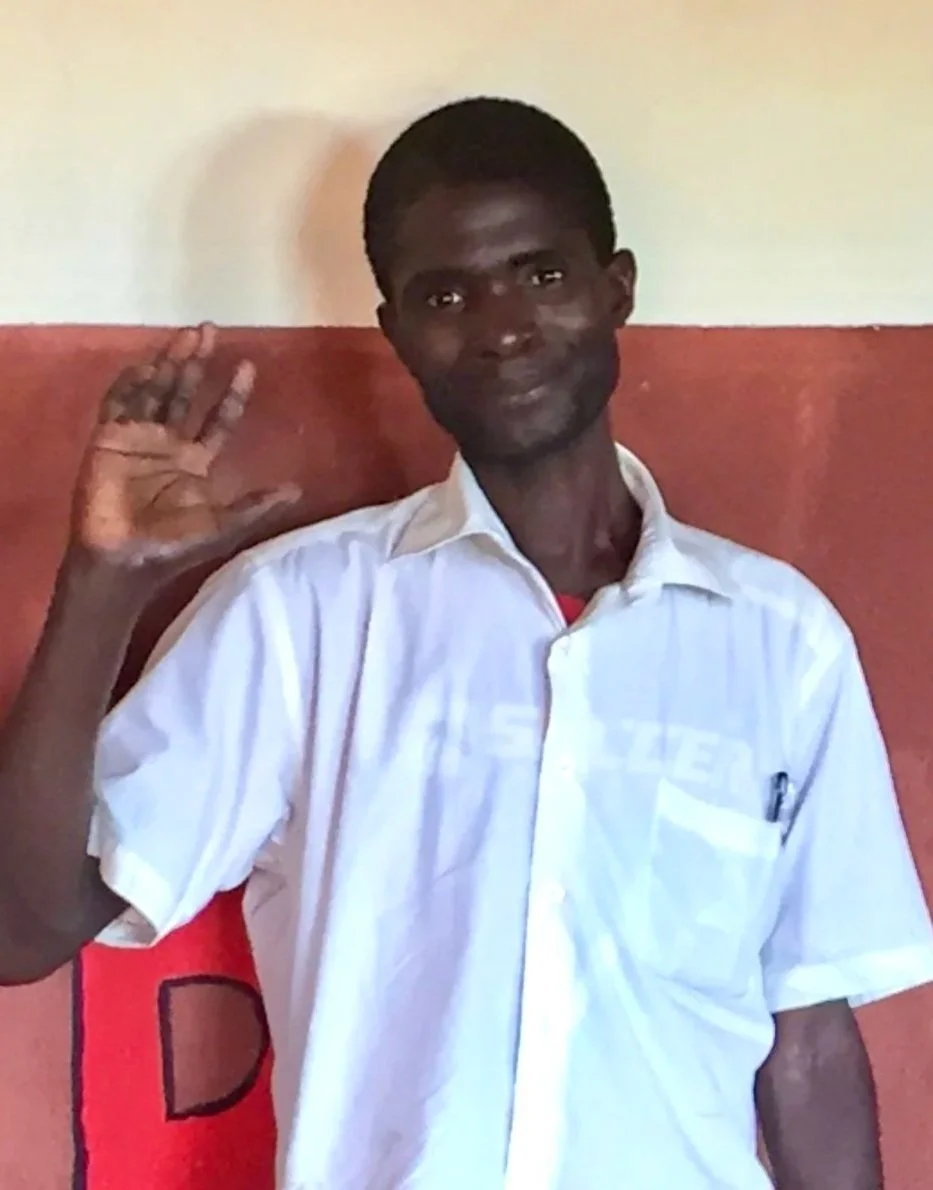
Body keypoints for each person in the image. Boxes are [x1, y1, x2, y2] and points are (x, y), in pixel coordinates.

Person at [0, 96, 930, 1190]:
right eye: (447, 293)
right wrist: (100, 589)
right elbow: (25, 928)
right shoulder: (302, 615)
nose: (501, 326)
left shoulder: (782, 642)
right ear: (395, 329)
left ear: (615, 287)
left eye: (541, 274)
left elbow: (810, 1045)